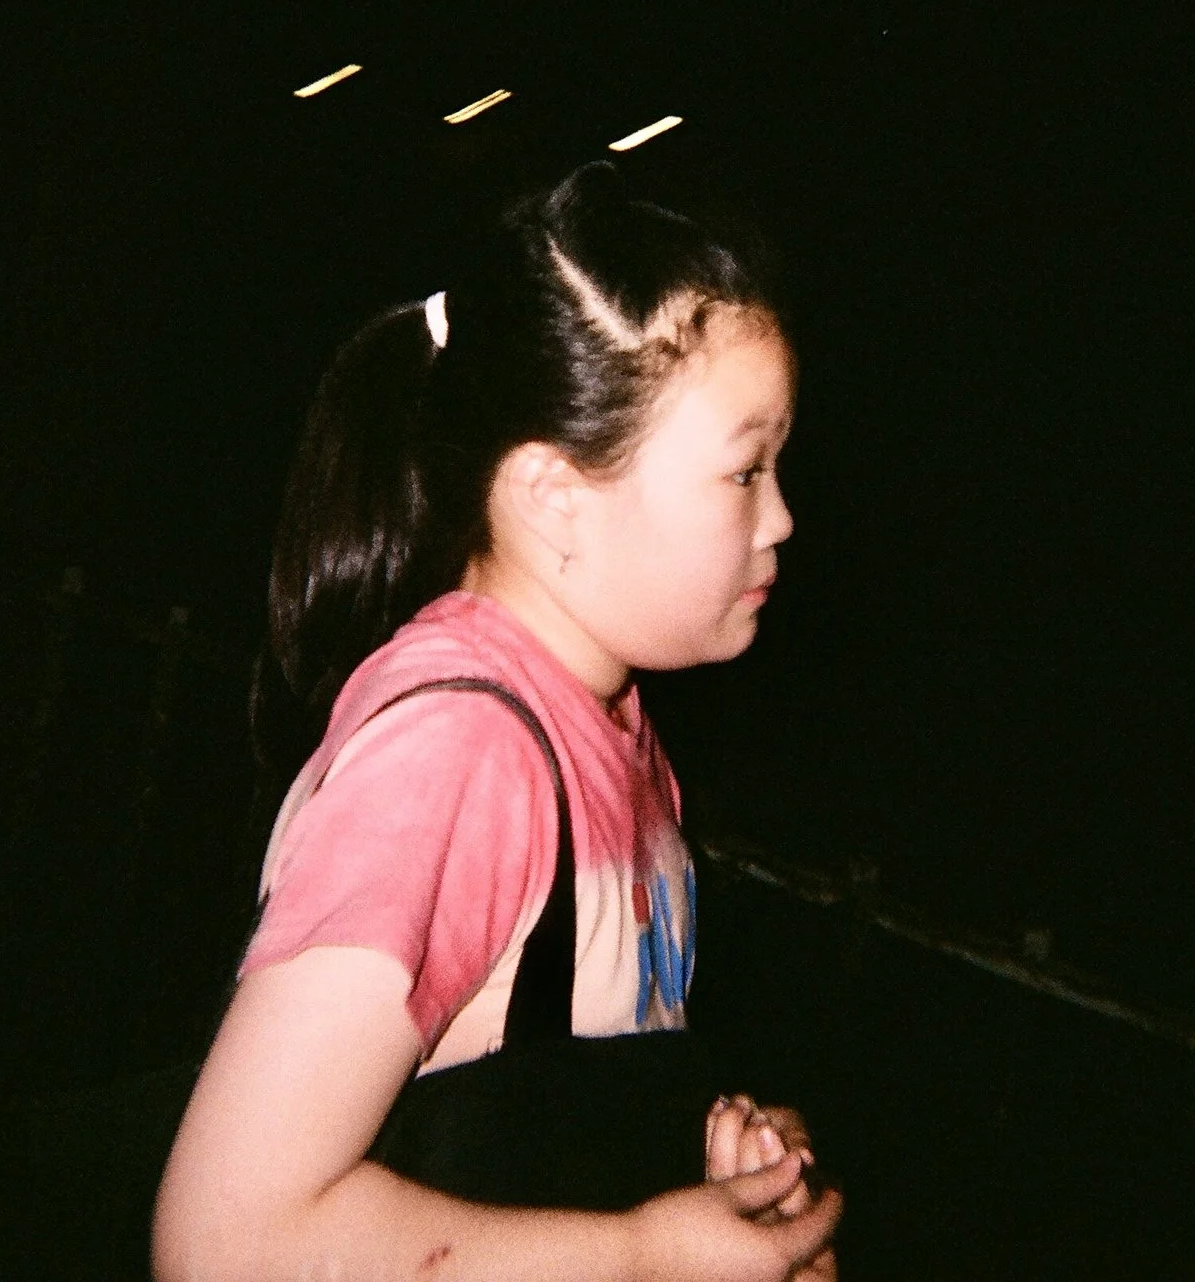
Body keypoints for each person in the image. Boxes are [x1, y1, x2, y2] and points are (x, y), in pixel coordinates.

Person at [151, 165, 842, 1281]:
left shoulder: (610, 731)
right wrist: (646, 1255)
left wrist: (719, 1185)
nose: (782, 517)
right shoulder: (459, 757)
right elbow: (226, 1243)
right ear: (554, 499)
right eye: (743, 469)